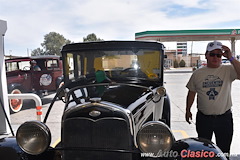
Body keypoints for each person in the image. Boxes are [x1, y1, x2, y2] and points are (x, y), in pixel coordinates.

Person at [185, 40, 240, 158]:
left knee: (224, 152)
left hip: (224, 119)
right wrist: (188, 109)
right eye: (212, 54)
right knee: (204, 152)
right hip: (204, 120)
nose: (215, 57)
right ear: (206, 56)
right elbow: (191, 92)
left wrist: (231, 57)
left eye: (218, 55)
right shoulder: (198, 73)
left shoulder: (228, 70)